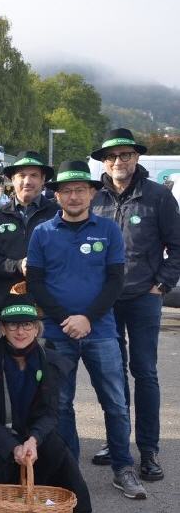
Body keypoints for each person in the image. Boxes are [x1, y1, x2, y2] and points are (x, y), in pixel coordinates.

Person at [26, 160, 146, 500]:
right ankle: (69, 469)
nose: (74, 196)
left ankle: (123, 467)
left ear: (92, 193)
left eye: (80, 190)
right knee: (61, 405)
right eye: (67, 191)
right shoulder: (43, 232)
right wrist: (67, 318)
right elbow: (35, 281)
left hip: (102, 330)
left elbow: (115, 280)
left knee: (116, 403)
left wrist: (88, 319)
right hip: (56, 331)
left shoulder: (108, 230)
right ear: (58, 195)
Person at [90, 129, 180, 481]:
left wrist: (162, 284)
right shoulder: (94, 197)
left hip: (144, 298)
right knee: (112, 375)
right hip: (105, 302)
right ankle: (117, 443)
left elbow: (177, 245)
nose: (118, 162)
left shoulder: (158, 196)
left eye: (125, 155)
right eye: (111, 157)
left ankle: (148, 450)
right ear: (103, 161)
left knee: (144, 373)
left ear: (137, 157)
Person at [0, 294, 91, 513]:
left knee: (55, 448)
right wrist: (12, 446)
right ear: (2, 329)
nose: (20, 332)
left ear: (36, 328)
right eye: (13, 326)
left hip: (32, 435)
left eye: (27, 325)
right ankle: (8, 490)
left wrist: (33, 440)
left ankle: (38, 491)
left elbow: (51, 413)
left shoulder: (49, 361)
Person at [0, 152, 58, 315]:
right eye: (22, 175)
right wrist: (16, 265)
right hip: (5, 304)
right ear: (12, 179)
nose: (27, 181)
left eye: (34, 175)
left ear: (43, 179)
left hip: (47, 305)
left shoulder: (57, 214)